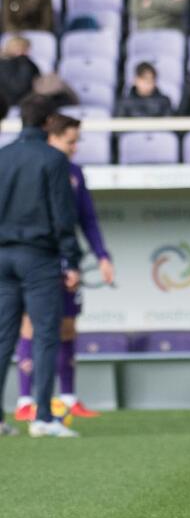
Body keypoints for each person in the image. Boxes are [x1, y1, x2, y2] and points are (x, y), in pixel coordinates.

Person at [12, 113, 115, 423]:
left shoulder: (75, 173)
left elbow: (87, 218)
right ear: (53, 137)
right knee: (30, 323)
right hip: (37, 257)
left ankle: (69, 398)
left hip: (67, 259)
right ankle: (25, 400)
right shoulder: (35, 167)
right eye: (71, 141)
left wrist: (102, 255)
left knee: (67, 325)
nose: (75, 147)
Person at [0, 95, 81, 438]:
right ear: (49, 122)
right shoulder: (53, 158)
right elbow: (63, 215)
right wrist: (71, 260)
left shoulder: (3, 156)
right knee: (46, 336)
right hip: (39, 257)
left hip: (3, 257)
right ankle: (44, 417)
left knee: (3, 338)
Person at [0, 36, 41, 104]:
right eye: (24, 48)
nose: (27, 52)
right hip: (13, 101)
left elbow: (38, 76)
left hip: (27, 98)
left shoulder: (26, 61)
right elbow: (18, 86)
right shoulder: (5, 63)